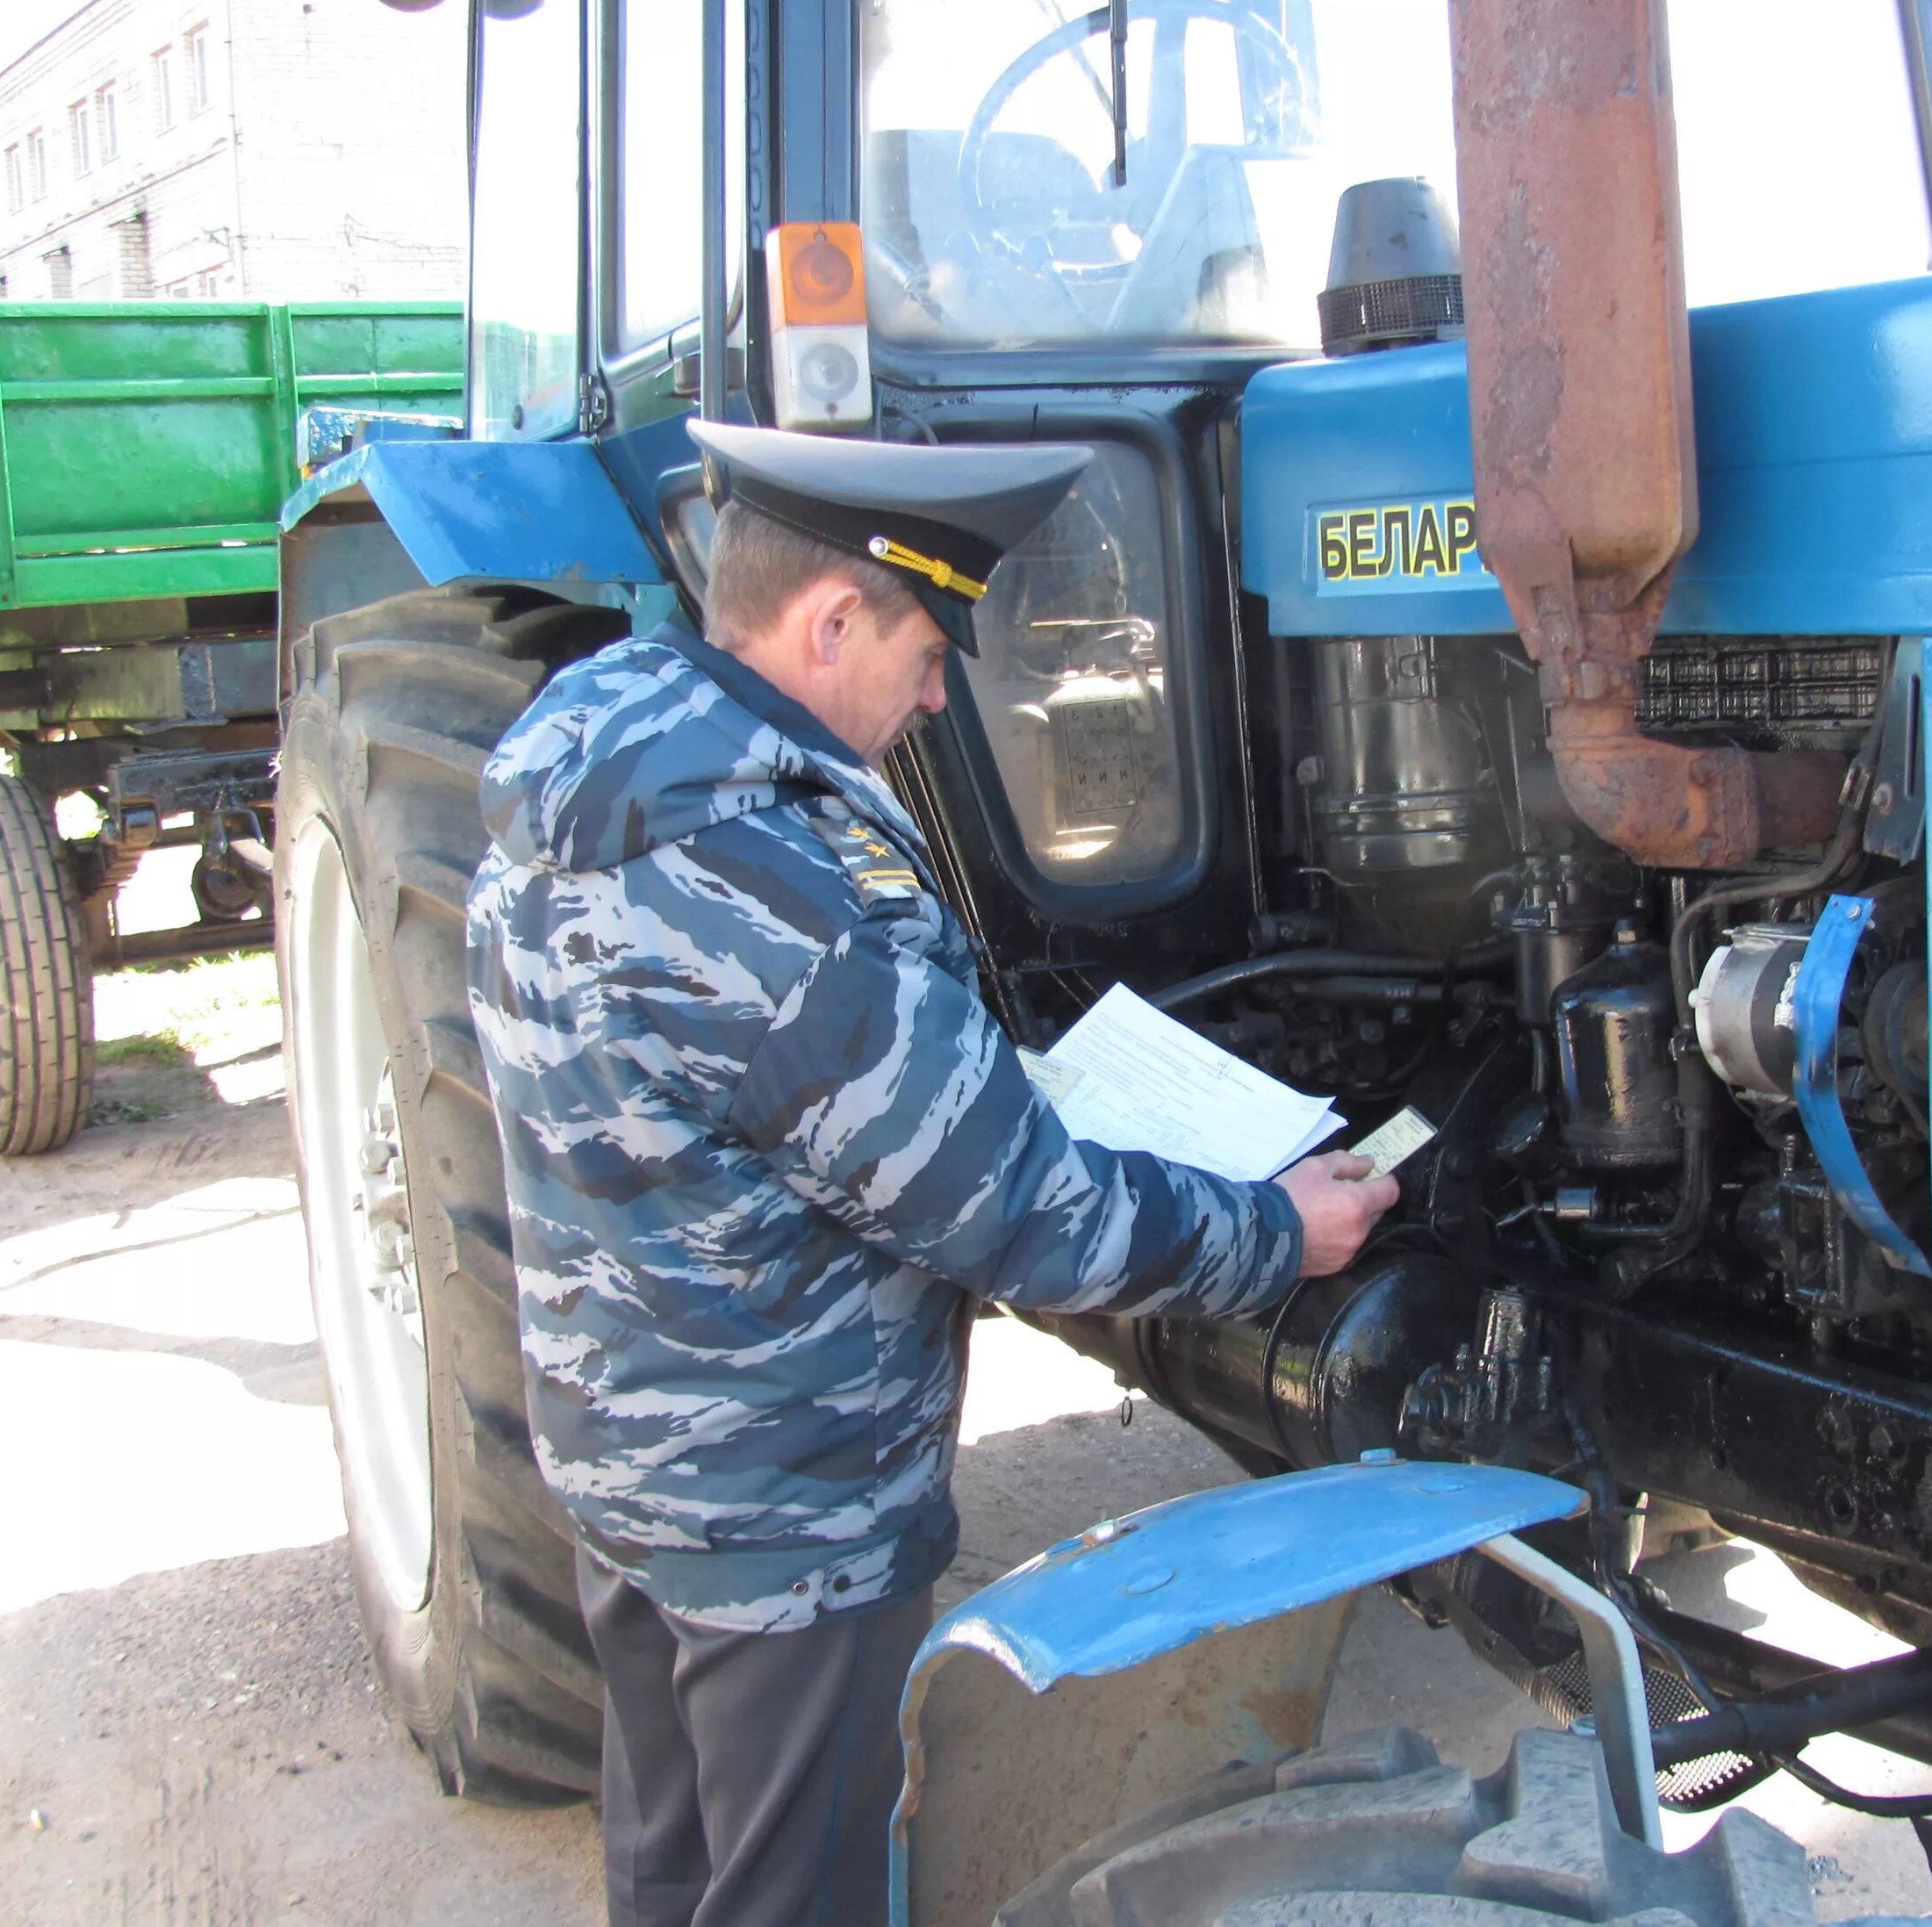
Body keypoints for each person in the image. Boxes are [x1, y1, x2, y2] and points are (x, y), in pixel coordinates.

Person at [464, 416, 1401, 1927]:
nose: (939, 683)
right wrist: (1273, 1232)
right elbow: (1025, 1217)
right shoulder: (769, 880)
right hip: (788, 1517)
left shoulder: (591, 770)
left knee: (672, 1859)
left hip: (631, 1460)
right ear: (830, 622)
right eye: (926, 638)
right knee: (796, 1893)